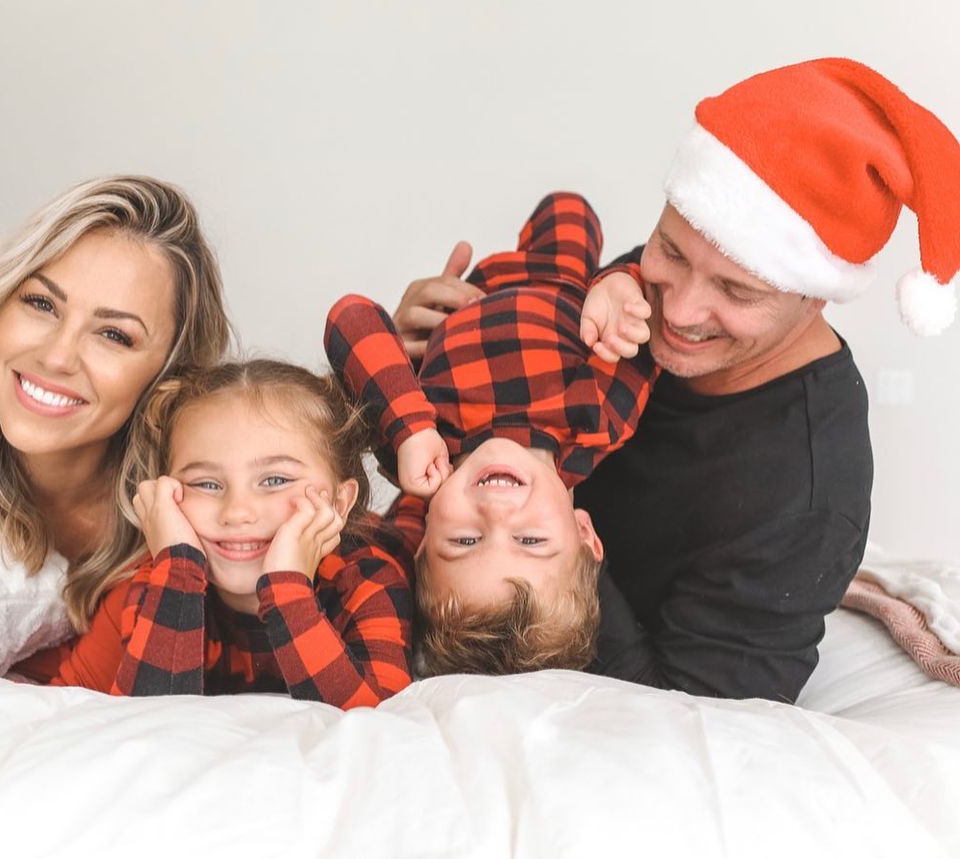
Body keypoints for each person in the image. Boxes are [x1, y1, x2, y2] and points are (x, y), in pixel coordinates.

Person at [389, 57, 960, 701]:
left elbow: (689, 712)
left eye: (735, 291)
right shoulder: (633, 294)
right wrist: (430, 357)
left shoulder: (805, 495)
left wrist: (564, 556)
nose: (678, 313)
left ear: (816, 295)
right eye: (671, 252)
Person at [0, 175, 234, 661]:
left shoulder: (181, 525)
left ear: (168, 376)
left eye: (114, 335)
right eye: (41, 303)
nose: (57, 356)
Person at [326, 192, 657, 675]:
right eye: (530, 541)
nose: (497, 513)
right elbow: (652, 321)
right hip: (559, 276)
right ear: (585, 534)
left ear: (421, 541)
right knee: (570, 212)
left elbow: (349, 315)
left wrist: (409, 425)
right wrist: (618, 285)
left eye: (463, 541)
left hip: (464, 297)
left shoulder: (415, 443)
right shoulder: (600, 415)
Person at [14, 360, 421, 709]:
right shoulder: (159, 581)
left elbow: (373, 725)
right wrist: (177, 573)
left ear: (339, 500)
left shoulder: (367, 580)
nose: (238, 512)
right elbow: (122, 722)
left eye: (275, 479)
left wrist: (287, 590)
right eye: (207, 484)